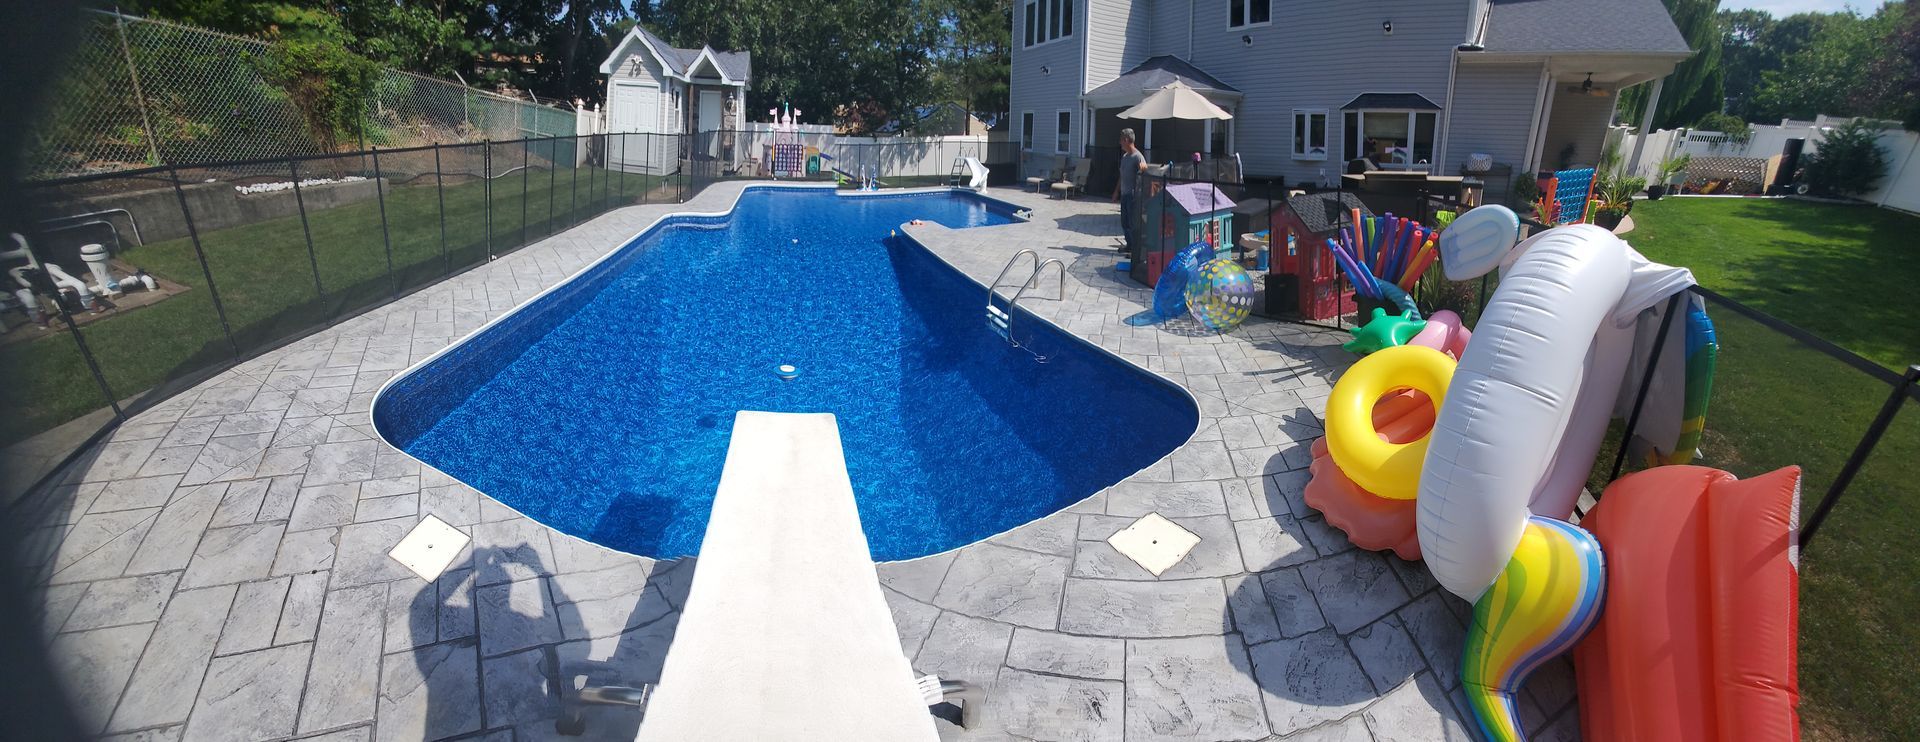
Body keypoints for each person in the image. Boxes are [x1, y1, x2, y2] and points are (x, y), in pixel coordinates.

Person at [1112, 128, 1148, 251]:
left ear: (1126, 140)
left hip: (1133, 196)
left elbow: (1145, 174)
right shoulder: (1125, 157)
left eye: (1121, 140)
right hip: (1124, 194)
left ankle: (1135, 249)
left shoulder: (1138, 157)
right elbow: (1121, 175)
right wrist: (1116, 191)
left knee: (1133, 223)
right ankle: (1130, 246)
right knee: (1125, 223)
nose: (1120, 143)